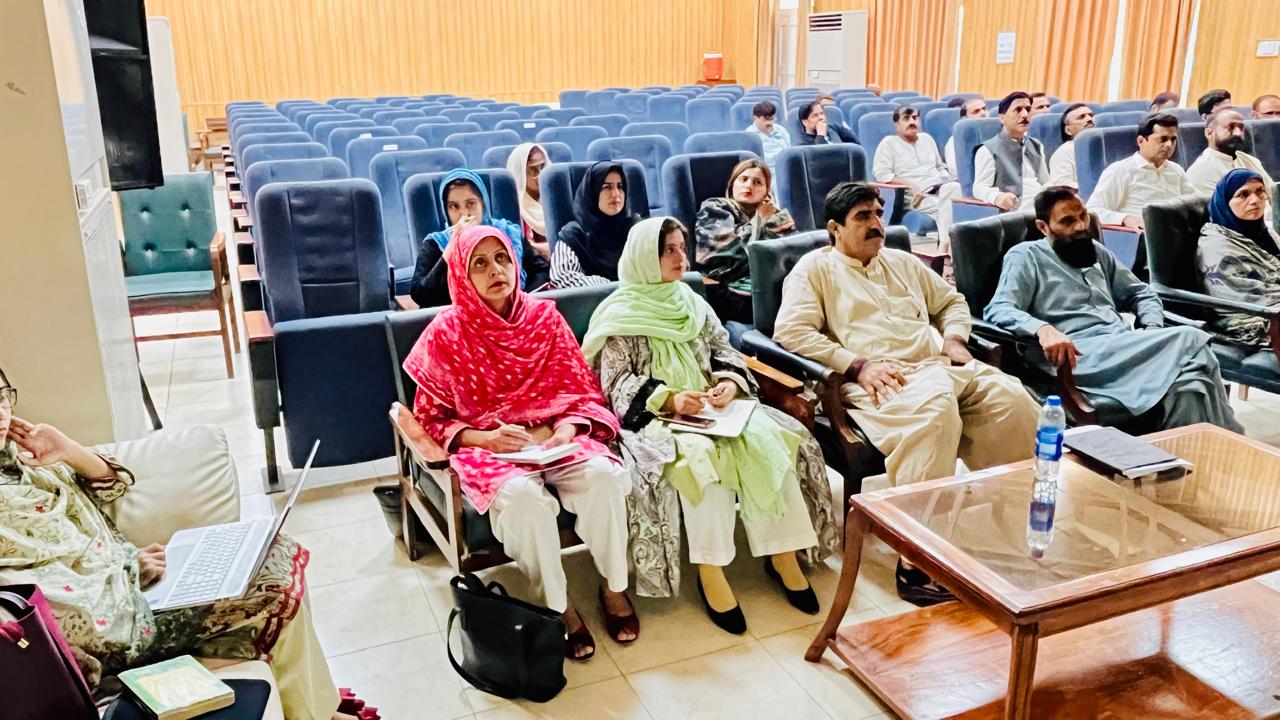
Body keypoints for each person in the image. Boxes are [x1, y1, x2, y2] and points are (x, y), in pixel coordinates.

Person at [0, 368, 355, 720]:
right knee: (273, 591)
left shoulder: (26, 460)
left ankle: (317, 710)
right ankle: (320, 714)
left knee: (273, 552)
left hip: (137, 586)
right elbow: (40, 593)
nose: (1, 414)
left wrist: (67, 450)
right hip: (112, 624)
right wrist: (129, 572)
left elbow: (114, 484)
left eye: (2, 397)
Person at [772, 182, 1039, 605]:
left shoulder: (901, 261)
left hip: (938, 366)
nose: (876, 224)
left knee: (1012, 399)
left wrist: (955, 339)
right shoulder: (814, 270)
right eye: (863, 217)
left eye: (878, 214)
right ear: (835, 229)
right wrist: (856, 365)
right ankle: (915, 559)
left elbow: (951, 302)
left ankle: (1015, 524)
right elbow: (791, 332)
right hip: (878, 379)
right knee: (934, 416)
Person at [582, 217, 837, 633]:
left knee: (769, 445)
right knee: (702, 465)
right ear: (645, 256)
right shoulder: (619, 313)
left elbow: (725, 350)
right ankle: (711, 570)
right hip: (659, 418)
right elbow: (615, 382)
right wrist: (669, 398)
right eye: (668, 250)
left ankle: (783, 554)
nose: (680, 257)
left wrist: (728, 384)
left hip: (712, 408)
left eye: (682, 248)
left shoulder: (691, 302)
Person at [404, 225, 639, 661]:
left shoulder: (544, 319)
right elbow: (430, 419)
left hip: (556, 439)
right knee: (525, 504)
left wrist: (568, 427)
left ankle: (613, 586)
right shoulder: (445, 335)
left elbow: (581, 390)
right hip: (490, 448)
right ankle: (559, 606)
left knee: (605, 478)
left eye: (502, 259)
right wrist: (487, 439)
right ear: (460, 275)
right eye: (479, 263)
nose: (496, 270)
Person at [985, 186, 1242, 431]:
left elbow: (1140, 292)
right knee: (1192, 337)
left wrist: (1152, 328)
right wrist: (1043, 329)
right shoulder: (1026, 256)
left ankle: (1180, 457)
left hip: (1121, 346)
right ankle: (1230, 439)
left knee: (1191, 383)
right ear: (1043, 227)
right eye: (1067, 221)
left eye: (1083, 216)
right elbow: (999, 308)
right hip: (1077, 356)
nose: (1080, 227)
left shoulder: (1095, 251)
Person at [409, 168, 541, 308]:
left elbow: (541, 271)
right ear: (446, 211)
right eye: (454, 206)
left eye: (471, 203)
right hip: (463, 316)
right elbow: (421, 295)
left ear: (482, 204)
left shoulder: (507, 232)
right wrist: (453, 244)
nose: (464, 213)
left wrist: (521, 300)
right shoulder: (437, 243)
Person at [693, 159, 797, 323]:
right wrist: (760, 220)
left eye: (757, 182)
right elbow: (726, 258)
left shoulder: (775, 216)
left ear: (767, 191)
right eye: (743, 179)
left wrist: (767, 219)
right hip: (730, 290)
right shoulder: (714, 208)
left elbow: (791, 256)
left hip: (775, 285)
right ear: (732, 185)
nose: (749, 186)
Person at [1197, 169, 1280, 347]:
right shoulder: (1217, 246)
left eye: (1260, 191)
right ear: (1225, 202)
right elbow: (1242, 297)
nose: (1255, 200)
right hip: (1252, 321)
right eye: (1243, 194)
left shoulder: (1265, 233)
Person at [872, 105, 961, 248]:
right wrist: (911, 186)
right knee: (948, 208)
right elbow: (882, 174)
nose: (911, 122)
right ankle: (947, 250)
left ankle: (945, 248)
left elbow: (939, 166)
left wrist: (946, 178)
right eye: (906, 118)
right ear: (897, 124)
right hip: (912, 195)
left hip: (938, 189)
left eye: (915, 118)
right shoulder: (889, 143)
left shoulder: (927, 139)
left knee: (954, 188)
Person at [1086, 112, 1194, 230]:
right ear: (1141, 140)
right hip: (1143, 235)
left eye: (1173, 140)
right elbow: (1093, 210)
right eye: (1162, 139)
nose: (1169, 145)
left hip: (1179, 231)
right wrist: (1125, 218)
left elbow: (1194, 204)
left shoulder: (1176, 170)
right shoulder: (1120, 170)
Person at [551, 162, 642, 288]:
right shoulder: (573, 235)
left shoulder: (637, 229)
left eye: (620, 186)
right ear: (592, 192)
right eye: (607, 187)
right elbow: (563, 278)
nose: (616, 194)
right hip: (595, 299)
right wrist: (610, 288)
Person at [973, 91, 1048, 211]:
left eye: (1028, 109)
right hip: (1013, 208)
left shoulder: (1036, 145)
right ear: (1002, 118)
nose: (1025, 115)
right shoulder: (988, 149)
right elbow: (979, 188)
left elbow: (1045, 181)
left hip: (1040, 203)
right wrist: (997, 197)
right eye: (1018, 109)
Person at [1186, 108, 1275, 195]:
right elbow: (1219, 205)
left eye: (1241, 128)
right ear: (1209, 133)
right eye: (1231, 127)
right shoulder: (1200, 171)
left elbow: (1273, 193)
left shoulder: (1250, 160)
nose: (1238, 133)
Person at [505, 142, 554, 261]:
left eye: (543, 167)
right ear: (519, 172)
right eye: (533, 169)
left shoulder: (556, 201)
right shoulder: (511, 207)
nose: (540, 174)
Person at [1048, 103, 1095, 188]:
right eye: (1081, 117)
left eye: (1091, 115)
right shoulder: (1064, 153)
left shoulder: (1104, 147)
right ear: (1068, 130)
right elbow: (1061, 184)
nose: (1089, 119)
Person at [944, 96, 989, 176]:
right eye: (976, 111)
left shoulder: (998, 134)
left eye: (984, 109)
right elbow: (956, 171)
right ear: (964, 118)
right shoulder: (955, 141)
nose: (983, 113)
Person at [745, 100, 791, 169]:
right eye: (766, 119)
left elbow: (789, 150)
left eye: (773, 118)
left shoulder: (780, 129)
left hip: (785, 167)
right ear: (755, 118)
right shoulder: (749, 135)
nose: (770, 123)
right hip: (764, 170)